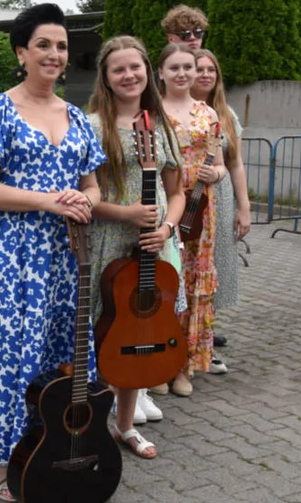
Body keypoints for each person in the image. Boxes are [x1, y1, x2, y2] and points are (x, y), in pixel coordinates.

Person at [0, 3, 105, 503]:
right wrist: (47, 201)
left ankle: (58, 441)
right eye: (43, 44)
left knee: (61, 352)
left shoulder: (79, 118)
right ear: (21, 52)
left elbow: (94, 188)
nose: (54, 54)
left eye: (61, 46)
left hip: (67, 256)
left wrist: (86, 201)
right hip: (10, 255)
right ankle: (5, 461)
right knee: (9, 352)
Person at [84, 36, 189, 459]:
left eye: (135, 68)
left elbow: (177, 192)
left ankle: (125, 426)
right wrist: (125, 213)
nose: (129, 75)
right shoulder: (91, 127)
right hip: (110, 241)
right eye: (118, 70)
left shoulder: (161, 126)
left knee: (139, 329)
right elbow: (84, 195)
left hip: (154, 245)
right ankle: (88, 422)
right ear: (106, 79)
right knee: (101, 333)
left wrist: (166, 228)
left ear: (148, 72)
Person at [156, 42, 225, 397]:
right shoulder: (151, 112)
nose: (184, 74)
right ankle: (158, 364)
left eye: (189, 68)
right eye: (176, 68)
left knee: (195, 283)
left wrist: (220, 174)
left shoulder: (207, 114)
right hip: (166, 203)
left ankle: (183, 366)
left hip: (201, 208)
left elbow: (220, 161)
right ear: (162, 73)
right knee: (166, 281)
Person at [192, 49, 251, 374]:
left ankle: (206, 343)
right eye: (198, 68)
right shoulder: (175, 110)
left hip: (222, 196)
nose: (205, 74)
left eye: (211, 69)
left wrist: (245, 207)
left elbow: (235, 162)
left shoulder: (225, 113)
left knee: (215, 269)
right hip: (187, 197)